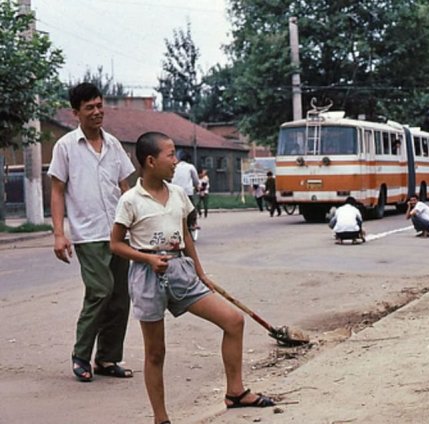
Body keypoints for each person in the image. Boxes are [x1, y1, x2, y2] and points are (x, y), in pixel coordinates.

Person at [110, 132, 274, 424]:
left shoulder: (177, 194)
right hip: (147, 276)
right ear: (150, 161)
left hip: (181, 272)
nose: (176, 161)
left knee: (233, 321)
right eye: (170, 155)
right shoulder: (130, 200)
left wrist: (200, 272)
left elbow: (185, 234)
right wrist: (148, 258)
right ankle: (161, 419)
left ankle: (235, 392)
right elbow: (116, 244)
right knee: (156, 352)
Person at [48, 82, 136, 382]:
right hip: (88, 234)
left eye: (100, 105)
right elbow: (57, 191)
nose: (97, 112)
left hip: (118, 232)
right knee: (101, 291)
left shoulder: (113, 144)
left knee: (120, 297)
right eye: (90, 108)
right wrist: (59, 233)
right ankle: (81, 356)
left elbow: (126, 187)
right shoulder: (66, 147)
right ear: (76, 113)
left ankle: (108, 359)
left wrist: (137, 222)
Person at [171, 150, 199, 230]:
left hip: (174, 191)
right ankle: (193, 223)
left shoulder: (174, 166)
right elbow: (196, 180)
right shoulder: (190, 167)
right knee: (191, 208)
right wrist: (197, 186)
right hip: (187, 192)